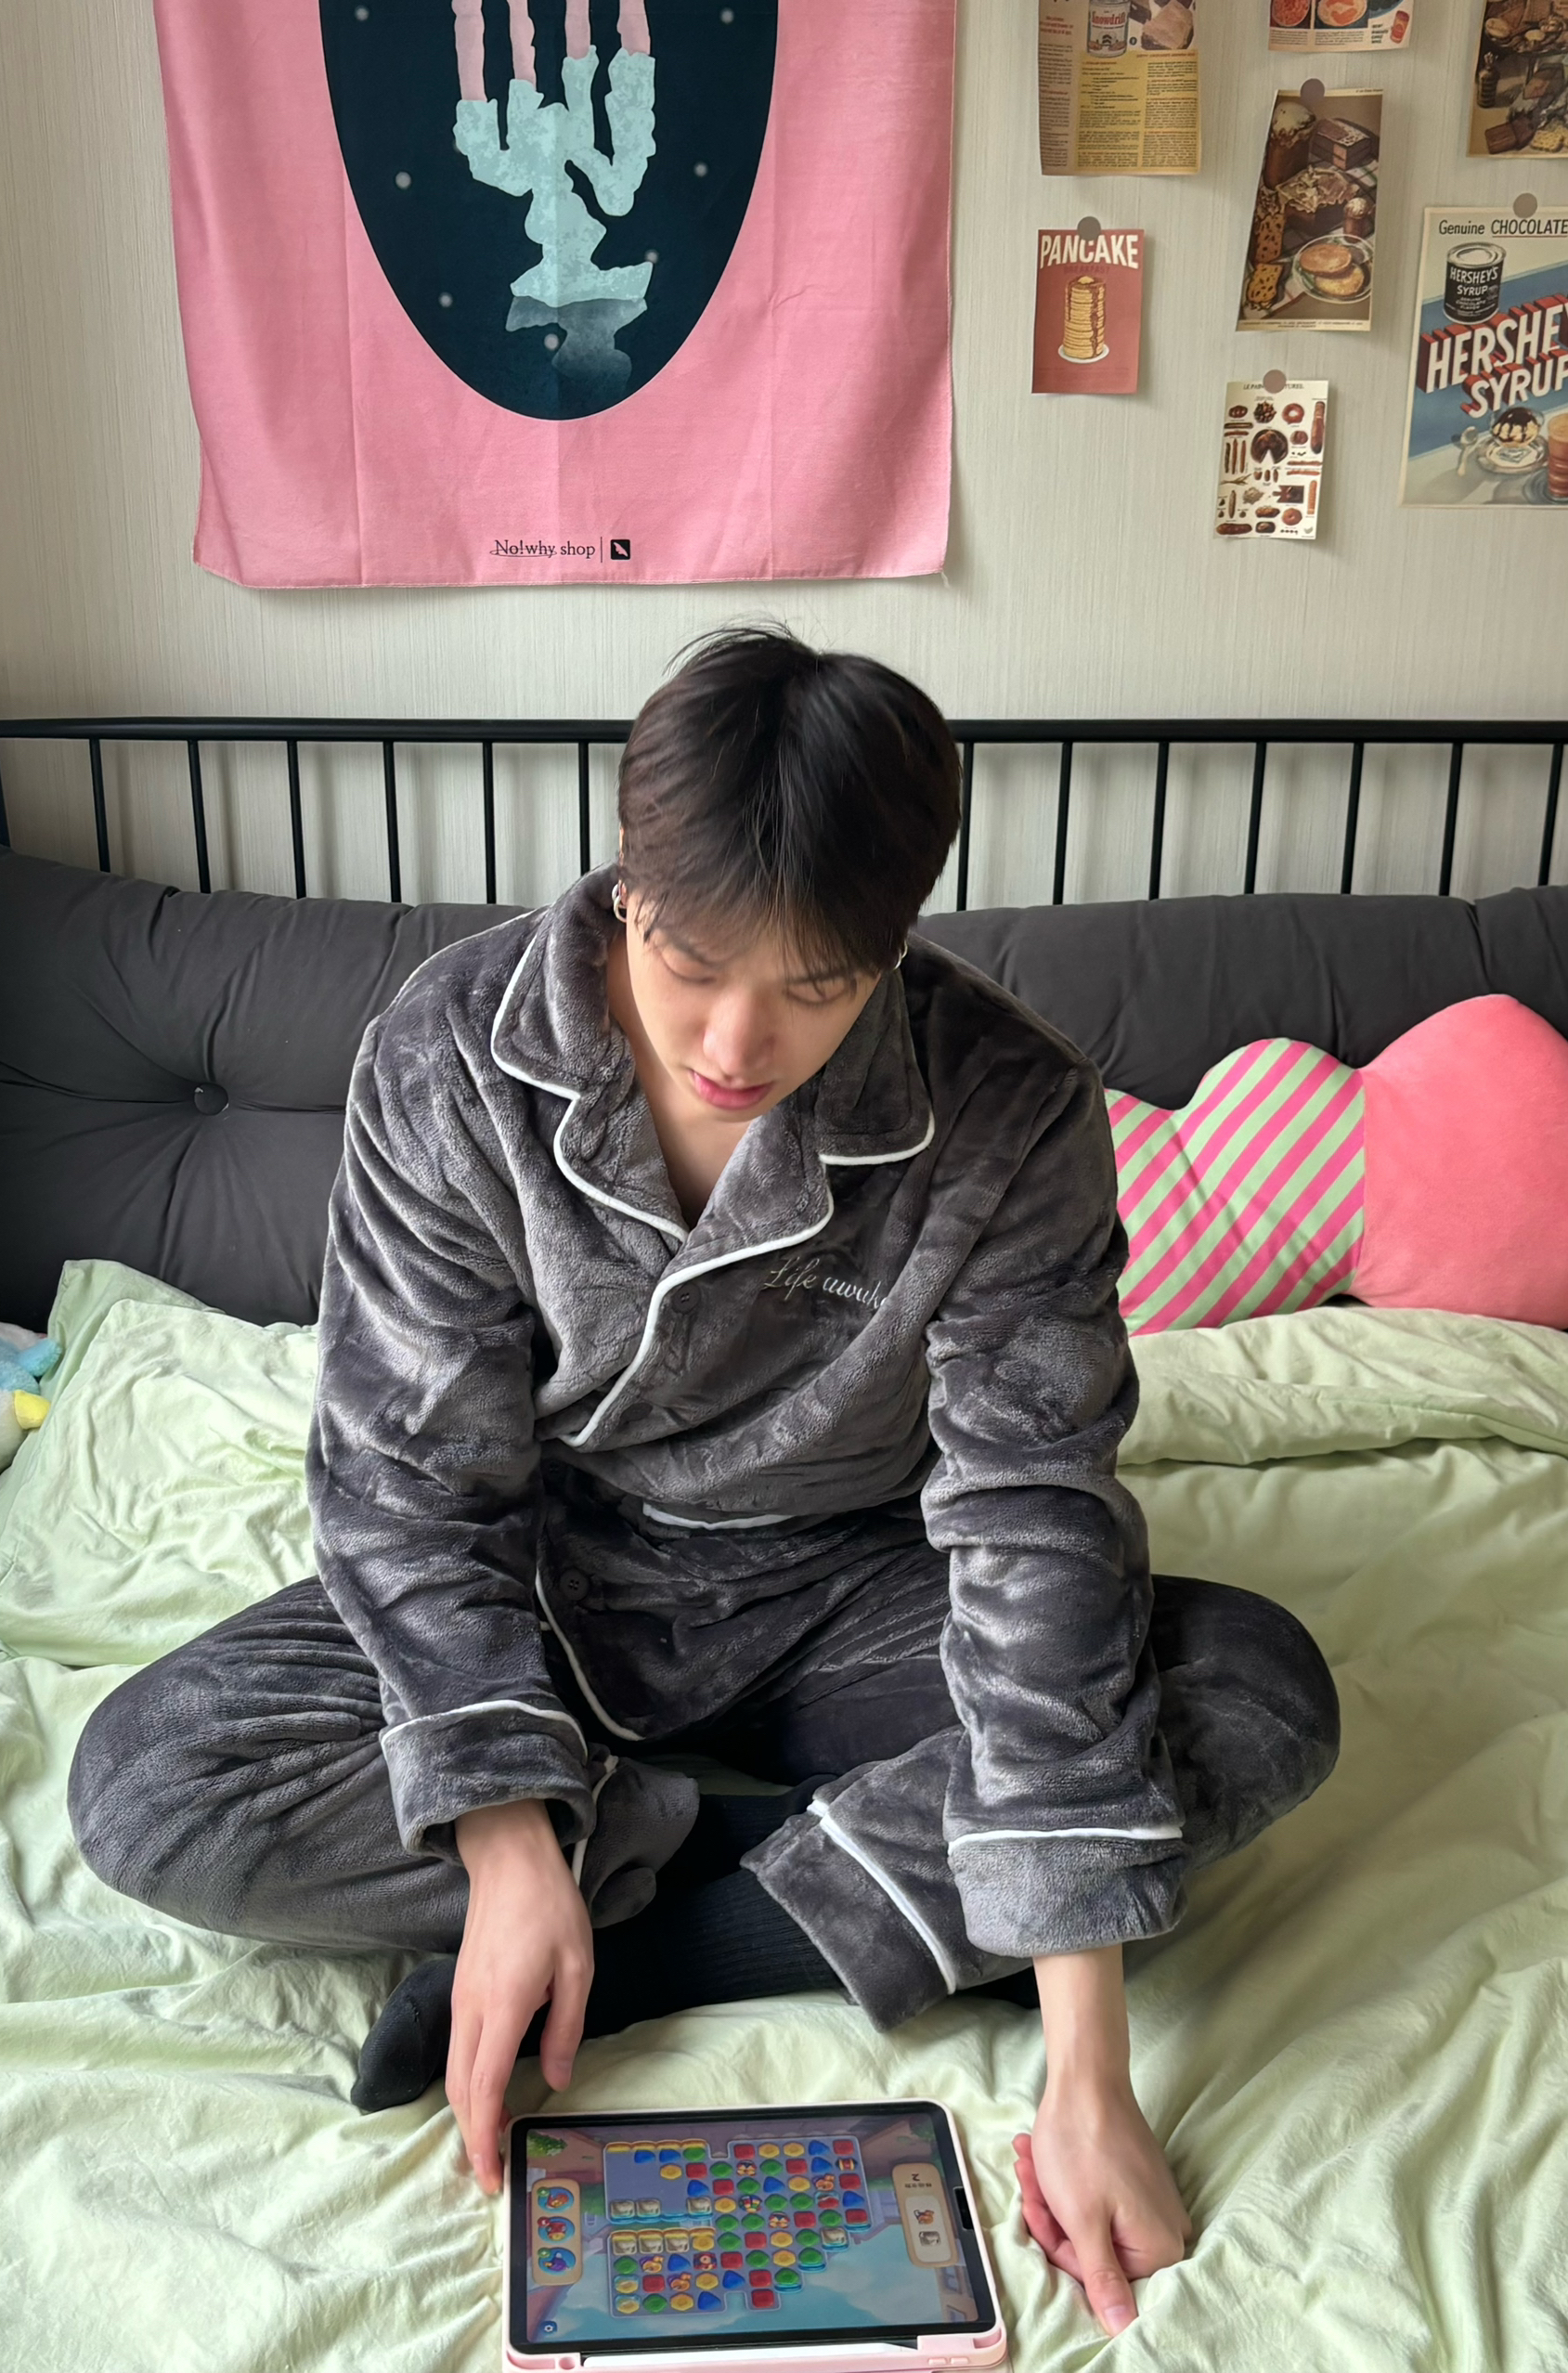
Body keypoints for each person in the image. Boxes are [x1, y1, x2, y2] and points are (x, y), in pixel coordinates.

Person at [69, 629, 1339, 2339]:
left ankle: (679, 1943)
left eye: (818, 987)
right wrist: (508, 1842)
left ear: (895, 945)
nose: (739, 1041)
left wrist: (1089, 2071)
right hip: (556, 1582)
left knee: (1256, 1693)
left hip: (861, 1586)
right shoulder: (449, 1052)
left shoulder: (1011, 1102)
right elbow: (411, 1485)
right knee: (151, 1783)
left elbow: (1033, 1521)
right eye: (690, 962)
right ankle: (720, 1858)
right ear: (628, 882)